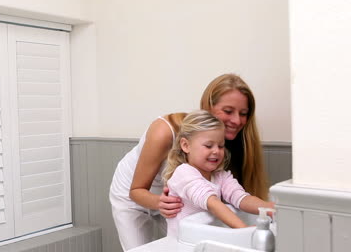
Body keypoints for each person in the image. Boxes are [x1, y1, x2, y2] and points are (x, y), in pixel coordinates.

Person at [109, 73, 268, 251]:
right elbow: (136, 190)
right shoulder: (165, 133)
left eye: (243, 113)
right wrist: (245, 233)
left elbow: (236, 197)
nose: (237, 120)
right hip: (134, 194)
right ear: (208, 107)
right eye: (228, 111)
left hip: (178, 197)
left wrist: (275, 210)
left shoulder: (217, 150)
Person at [163, 110, 274, 236]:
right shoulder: (184, 173)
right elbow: (212, 203)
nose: (216, 151)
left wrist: (271, 208)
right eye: (209, 146)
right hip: (182, 244)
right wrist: (245, 231)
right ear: (186, 145)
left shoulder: (220, 175)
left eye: (221, 146)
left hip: (205, 240)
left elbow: (241, 198)